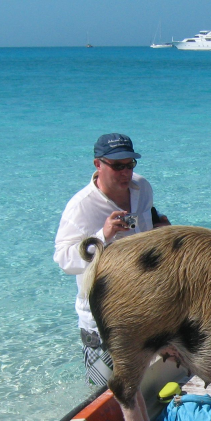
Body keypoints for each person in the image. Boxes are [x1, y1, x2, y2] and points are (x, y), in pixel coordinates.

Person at [54, 133, 169, 386]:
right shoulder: (81, 206)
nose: (125, 173)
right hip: (101, 317)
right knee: (103, 389)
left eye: (130, 164)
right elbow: (64, 260)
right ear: (98, 164)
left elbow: (148, 228)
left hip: (144, 308)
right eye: (117, 166)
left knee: (146, 384)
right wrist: (102, 236)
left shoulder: (142, 188)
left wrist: (162, 232)